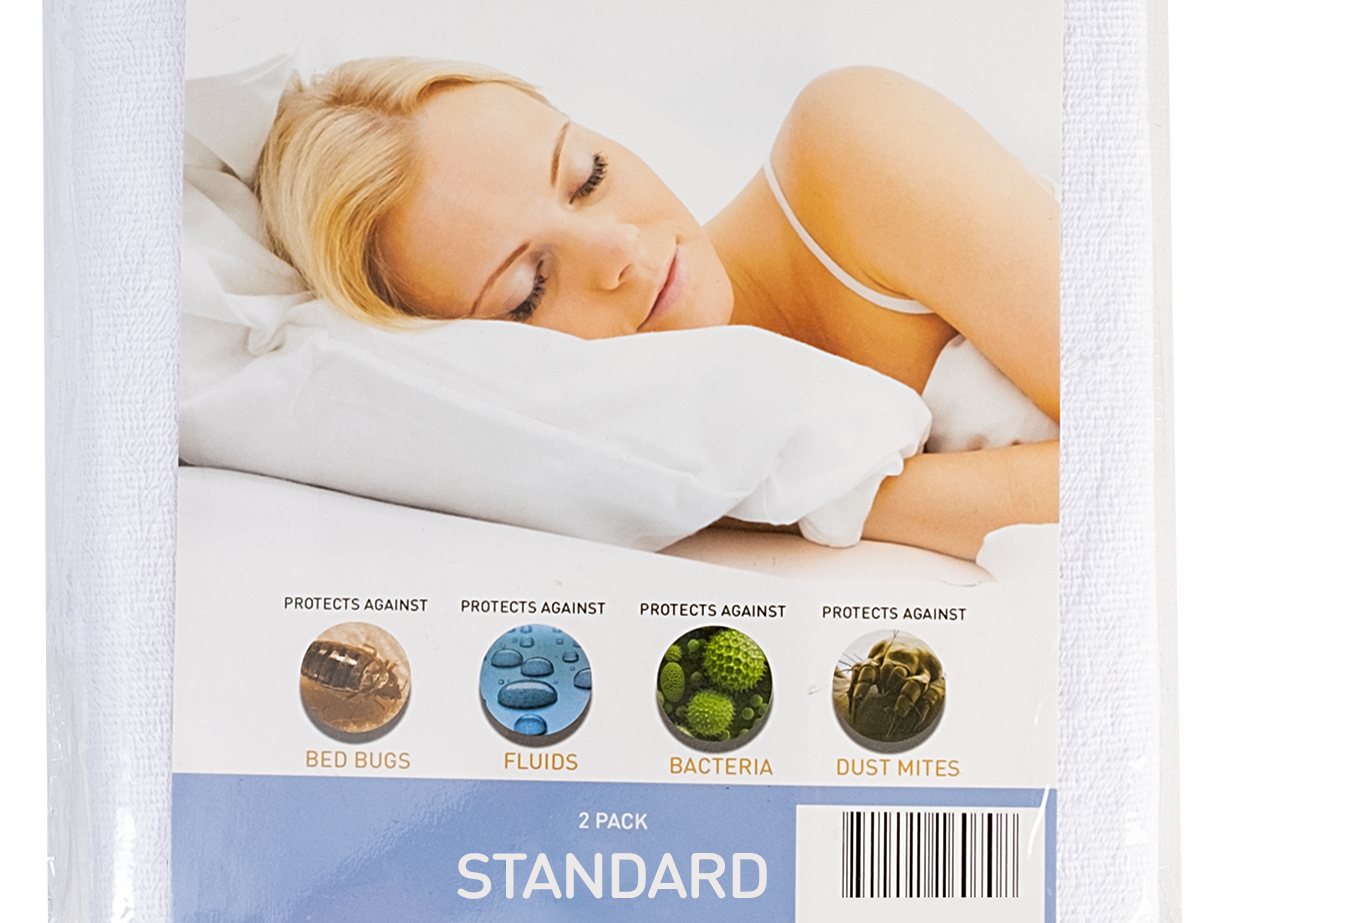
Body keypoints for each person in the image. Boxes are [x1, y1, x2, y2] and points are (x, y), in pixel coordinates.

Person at [256, 57, 1058, 560]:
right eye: (528, 289)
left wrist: (793, 498)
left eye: (589, 176)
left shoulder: (853, 143)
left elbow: (1124, 474)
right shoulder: (646, 477)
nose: (617, 248)